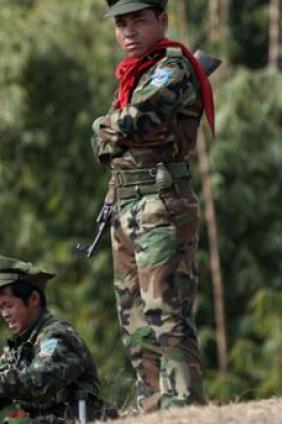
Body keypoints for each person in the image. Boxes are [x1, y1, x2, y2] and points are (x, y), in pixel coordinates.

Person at [89, 0, 214, 413]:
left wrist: (103, 124)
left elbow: (135, 121)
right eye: (121, 24)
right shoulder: (133, 77)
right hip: (125, 203)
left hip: (160, 203)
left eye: (139, 21)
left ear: (162, 21)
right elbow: (107, 143)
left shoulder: (172, 69)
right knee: (136, 323)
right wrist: (111, 129)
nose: (128, 32)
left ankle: (185, 409)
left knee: (166, 311)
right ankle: (154, 411)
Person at [0, 255, 109, 423]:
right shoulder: (19, 347)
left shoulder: (58, 336)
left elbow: (35, 383)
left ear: (33, 299)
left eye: (9, 305)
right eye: (0, 307)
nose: (4, 314)